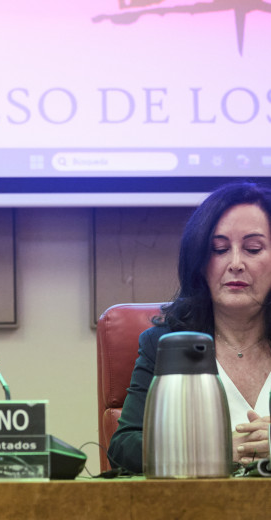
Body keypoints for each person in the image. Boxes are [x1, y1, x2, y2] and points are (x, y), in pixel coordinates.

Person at [108, 181, 271, 472]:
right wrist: (213, 450)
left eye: (253, 248)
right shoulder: (166, 343)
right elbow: (123, 446)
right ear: (199, 262)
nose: (235, 263)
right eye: (219, 249)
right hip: (197, 513)